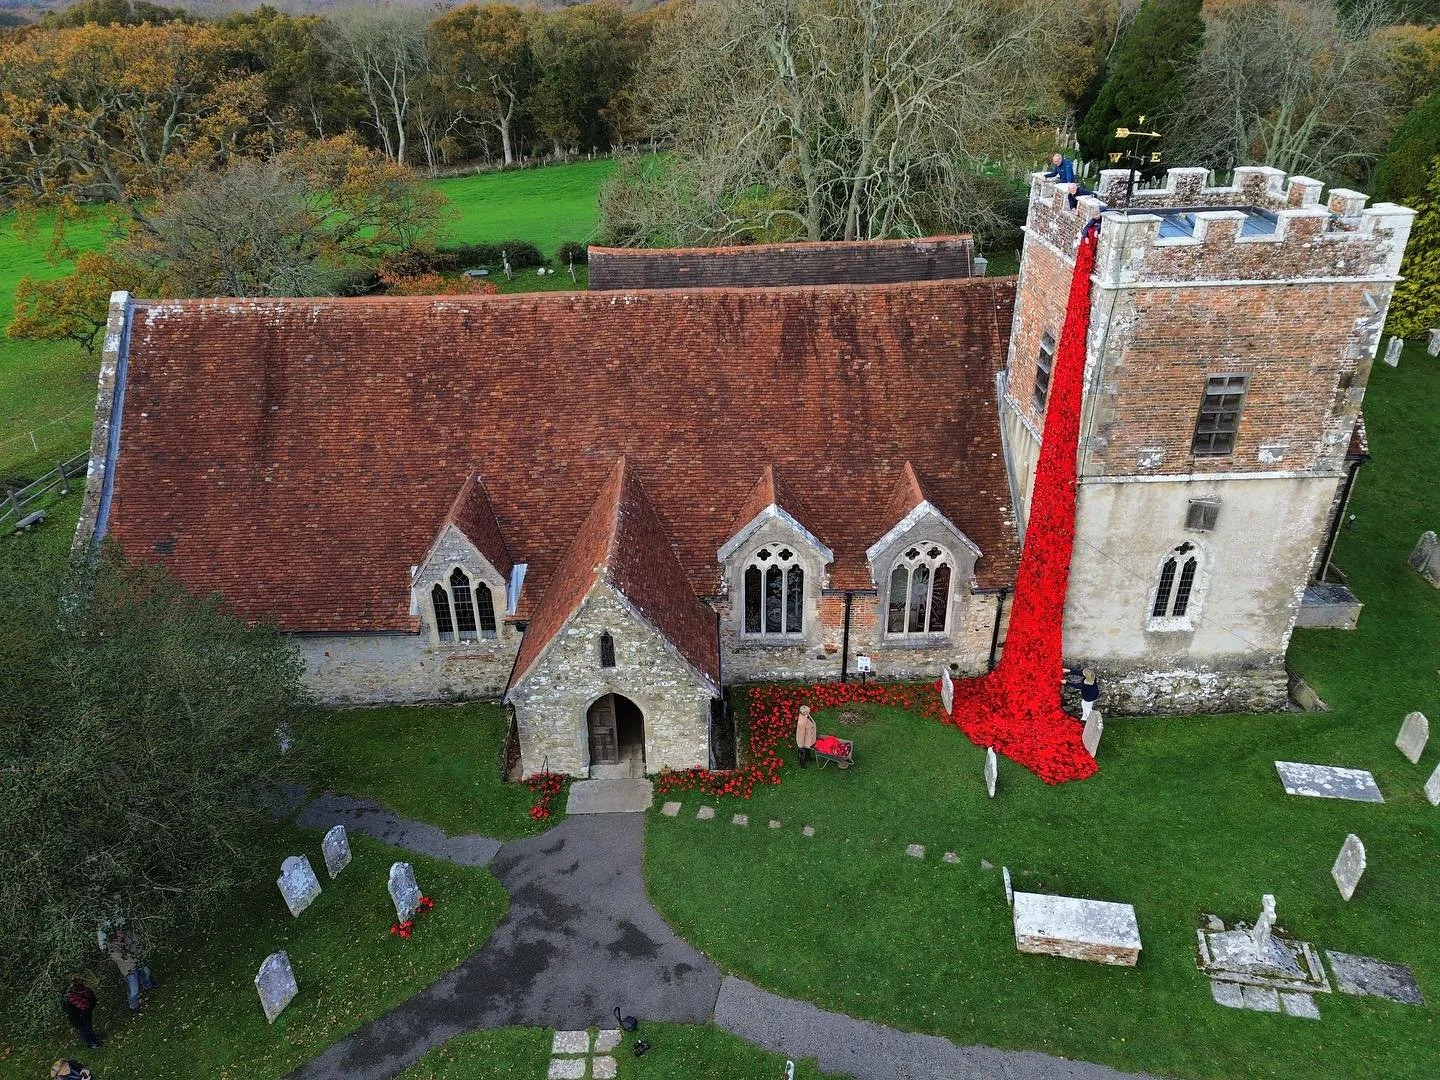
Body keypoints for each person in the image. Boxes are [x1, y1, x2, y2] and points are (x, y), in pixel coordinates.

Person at [107, 927, 155, 1012]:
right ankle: (134, 1006)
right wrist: (135, 957)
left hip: (138, 961)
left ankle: (147, 985)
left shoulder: (130, 935)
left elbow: (138, 943)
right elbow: (122, 958)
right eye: (118, 932)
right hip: (129, 969)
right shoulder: (112, 947)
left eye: (121, 931)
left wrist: (138, 954)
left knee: (146, 973)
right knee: (134, 990)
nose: (121, 933)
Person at [61, 979, 100, 1049]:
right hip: (76, 1015)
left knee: (88, 1025)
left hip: (85, 1010)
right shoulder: (70, 998)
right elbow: (72, 1012)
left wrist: (90, 1006)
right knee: (83, 1027)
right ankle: (90, 1042)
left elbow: (91, 999)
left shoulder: (85, 991)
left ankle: (92, 1037)